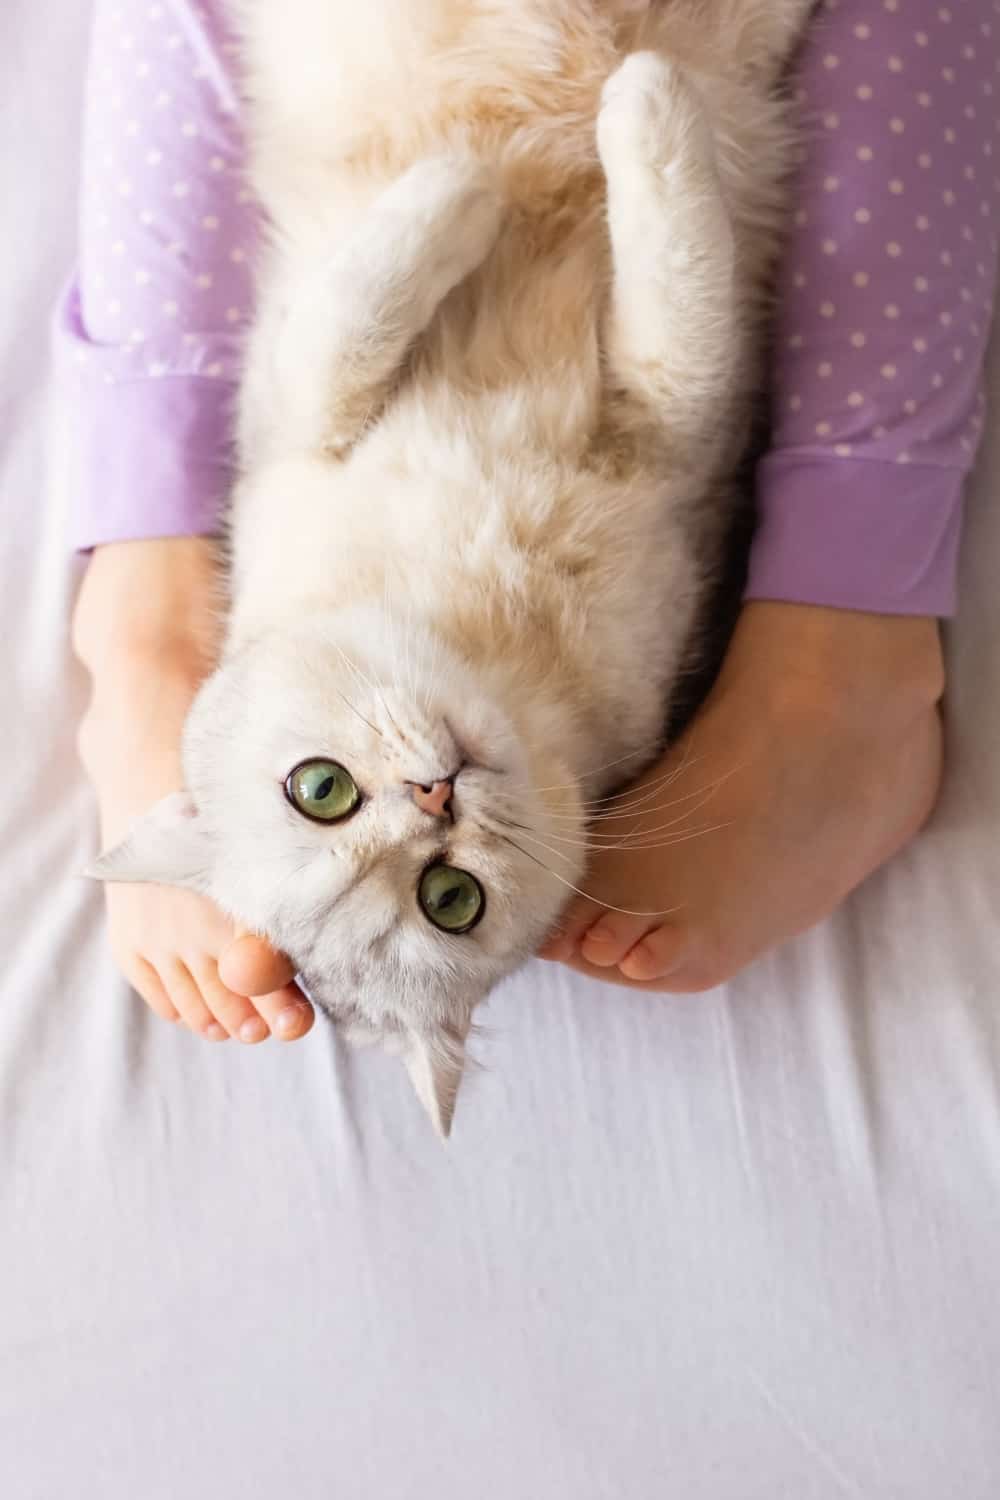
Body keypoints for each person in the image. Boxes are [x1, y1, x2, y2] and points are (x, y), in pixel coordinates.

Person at [64, 0, 999, 1041]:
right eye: (452, 896)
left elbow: (312, 406)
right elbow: (661, 427)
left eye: (325, 791)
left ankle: (146, 578)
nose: (428, 804)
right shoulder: (599, 689)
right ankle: (839, 642)